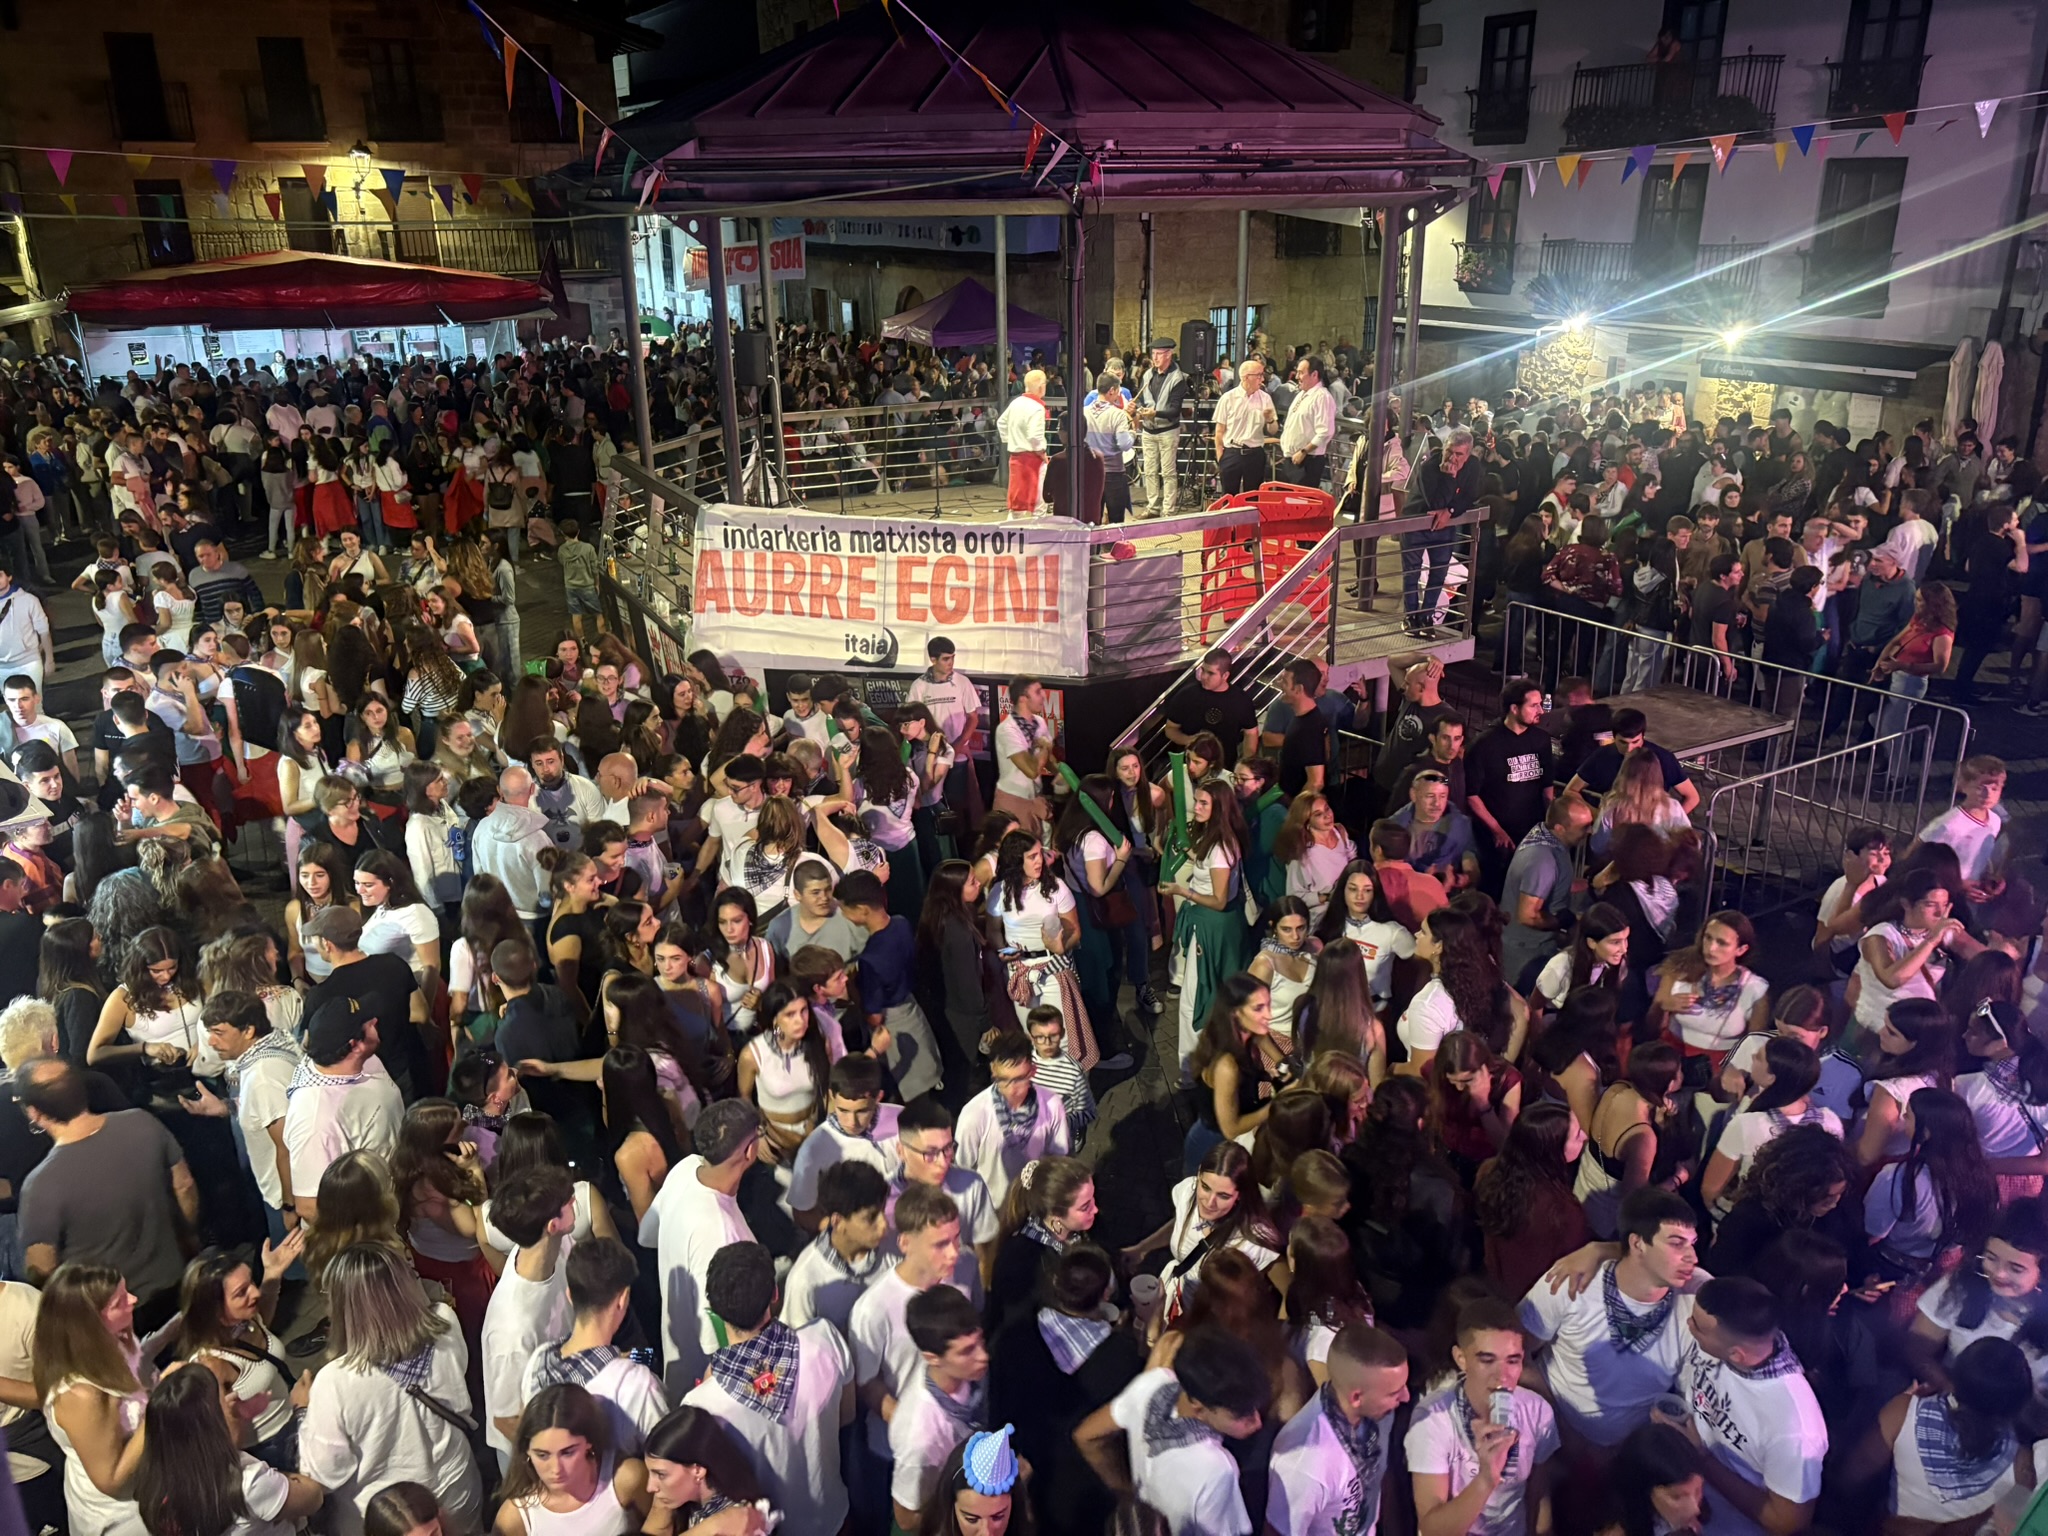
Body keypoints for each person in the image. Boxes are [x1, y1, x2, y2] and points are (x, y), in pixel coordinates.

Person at [300, 1242, 484, 1536]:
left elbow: (325, 1475)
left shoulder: (334, 1382)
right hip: (456, 1491)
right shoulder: (445, 1322)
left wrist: (302, 1413)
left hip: (388, 1518)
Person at [16, 1057, 196, 1324]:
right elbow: (185, 1186)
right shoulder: (142, 1122)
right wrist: (186, 1237)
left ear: (34, 1113)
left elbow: (42, 1267)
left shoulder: (41, 1185)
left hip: (111, 1315)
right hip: (176, 1285)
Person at [1518, 1188, 1699, 1452]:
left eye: (1692, 1243)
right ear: (1637, 1244)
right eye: (1676, 1243)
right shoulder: (1572, 1283)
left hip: (1629, 1451)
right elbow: (1515, 1354)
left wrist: (1600, 1248)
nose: (1692, 1257)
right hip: (1553, 1436)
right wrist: (1557, 1423)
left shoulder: (1697, 1298)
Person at [1664, 1276, 1827, 1536]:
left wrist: (1701, 1458)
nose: (1689, 1326)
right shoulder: (1724, 1339)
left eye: (1698, 1327)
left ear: (1736, 1354)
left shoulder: (1794, 1428)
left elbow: (1787, 1524)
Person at [1074, 1323, 1272, 1536]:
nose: (1257, 1422)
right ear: (1198, 1407)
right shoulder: (1216, 1470)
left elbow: (1086, 1437)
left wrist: (1127, 1495)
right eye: (1241, 1415)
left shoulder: (1151, 1385)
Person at [1405, 1296, 1558, 1536]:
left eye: (1513, 1361)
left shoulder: (1537, 1410)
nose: (1502, 1376)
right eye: (1487, 1360)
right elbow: (1432, 1529)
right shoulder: (1433, 1418)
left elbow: (1538, 1492)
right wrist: (1486, 1478)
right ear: (1461, 1359)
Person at [639, 1097, 760, 1392]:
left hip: (676, 1361)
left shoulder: (686, 1168)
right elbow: (717, 1338)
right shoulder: (721, 1235)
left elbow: (647, 1234)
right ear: (750, 1150)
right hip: (704, 1386)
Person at [521, 1236, 669, 1457]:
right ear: (623, 1299)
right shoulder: (637, 1384)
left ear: (570, 1296)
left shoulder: (538, 1360)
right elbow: (665, 1460)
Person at [1266, 1323, 1411, 1536]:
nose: (1406, 1397)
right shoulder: (1304, 1462)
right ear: (1356, 1397)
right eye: (1394, 1393)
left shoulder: (1379, 1414)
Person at [281, 998, 404, 1228]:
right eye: (368, 1023)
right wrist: (372, 1234)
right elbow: (310, 1206)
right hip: (369, 1227)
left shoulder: (363, 1060)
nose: (375, 1021)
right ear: (354, 1045)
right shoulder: (315, 1118)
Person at [888, 1284, 989, 1532]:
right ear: (932, 1358)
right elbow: (907, 1518)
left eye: (980, 1341)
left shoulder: (968, 1374)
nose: (983, 1356)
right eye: (967, 1351)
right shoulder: (920, 1438)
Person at [492, 1383, 650, 1536]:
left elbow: (661, 1524)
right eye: (542, 1455)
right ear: (527, 1451)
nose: (556, 1469)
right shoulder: (515, 1518)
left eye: (567, 1453)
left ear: (589, 1443)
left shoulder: (626, 1479)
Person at [954, 1028, 1069, 1209]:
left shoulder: (1052, 1105)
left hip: (1035, 1205)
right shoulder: (974, 1115)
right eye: (1003, 1079)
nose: (1012, 1089)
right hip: (992, 1209)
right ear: (993, 1070)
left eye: (1019, 1079)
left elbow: (1059, 1160)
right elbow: (962, 1172)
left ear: (1033, 1070)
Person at [1464, 678, 1555, 878]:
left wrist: (1550, 821)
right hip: (1496, 838)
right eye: (1533, 705)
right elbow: (1472, 795)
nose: (1540, 710)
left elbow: (1547, 785)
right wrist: (1497, 830)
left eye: (1540, 704)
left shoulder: (1541, 739)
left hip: (1532, 831)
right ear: (1514, 708)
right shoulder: (1485, 744)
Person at [1400, 427, 1482, 636]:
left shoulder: (1473, 466)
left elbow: (1470, 496)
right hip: (1417, 522)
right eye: (1449, 452)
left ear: (1468, 454)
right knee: (1412, 572)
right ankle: (1411, 617)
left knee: (1439, 572)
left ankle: (1426, 616)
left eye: (1459, 454)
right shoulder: (1429, 466)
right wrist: (1449, 477)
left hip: (1445, 525)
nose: (1452, 458)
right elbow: (1435, 502)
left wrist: (1450, 511)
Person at [1212, 357, 1279, 497]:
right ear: (1246, 377)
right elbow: (1219, 431)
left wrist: (1270, 420)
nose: (1262, 379)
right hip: (1232, 452)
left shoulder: (1265, 398)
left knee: (1253, 498)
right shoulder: (1228, 398)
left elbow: (1273, 430)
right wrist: (1220, 456)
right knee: (1229, 497)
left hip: (1255, 453)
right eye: (1259, 375)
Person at [996, 370, 1051, 512]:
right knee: (1039, 504)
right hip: (1033, 460)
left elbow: (1001, 423)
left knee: (1017, 505)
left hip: (1016, 458)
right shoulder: (1037, 408)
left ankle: (1013, 526)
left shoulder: (1016, 402)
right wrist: (1041, 452)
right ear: (1041, 387)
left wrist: (1011, 440)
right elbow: (1035, 436)